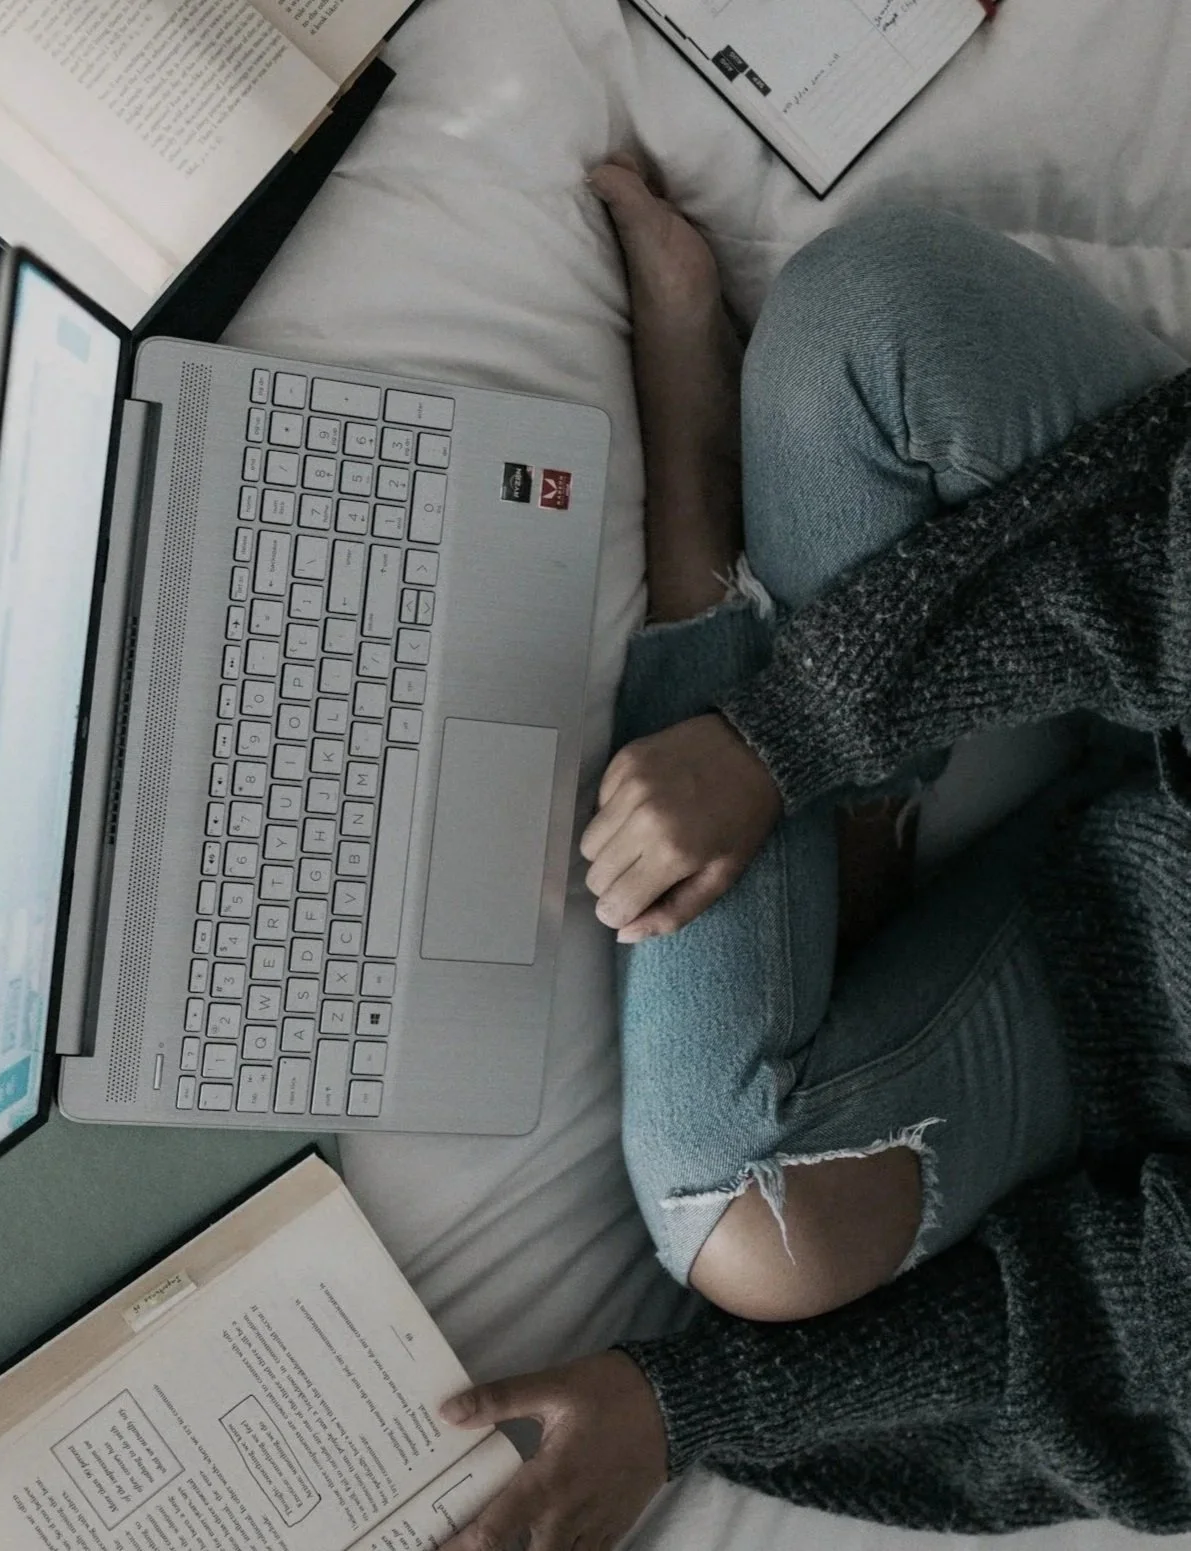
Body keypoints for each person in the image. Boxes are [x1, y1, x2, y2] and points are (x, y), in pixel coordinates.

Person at [437, 157, 1191, 1551]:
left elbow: (1145, 1326)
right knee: (873, 312)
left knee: (739, 1214)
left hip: (1124, 993)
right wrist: (791, 734)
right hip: (1157, 619)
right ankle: (840, 795)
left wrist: (690, 1409)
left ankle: (698, 535)